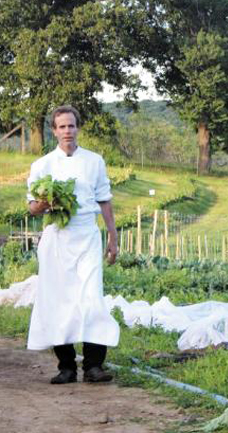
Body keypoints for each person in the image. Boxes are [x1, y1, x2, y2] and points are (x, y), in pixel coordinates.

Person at [26, 105, 120, 384]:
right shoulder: (42, 165)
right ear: (54, 131)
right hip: (57, 238)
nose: (67, 131)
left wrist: (112, 237)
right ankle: (66, 366)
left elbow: (104, 200)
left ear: (78, 128)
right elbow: (32, 208)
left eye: (71, 125)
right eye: (62, 126)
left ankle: (93, 366)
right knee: (59, 300)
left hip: (87, 236)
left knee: (92, 298)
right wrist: (46, 203)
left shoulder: (94, 161)